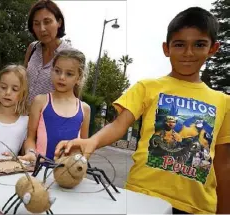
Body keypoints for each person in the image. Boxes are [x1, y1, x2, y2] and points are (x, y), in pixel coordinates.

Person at [54, 7, 230, 214]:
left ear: (213, 48)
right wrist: (92, 141)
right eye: (180, 44)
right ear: (166, 48)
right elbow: (119, 125)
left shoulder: (223, 102)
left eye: (199, 44)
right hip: (142, 198)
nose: (188, 53)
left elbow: (223, 164)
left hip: (197, 207)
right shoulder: (147, 87)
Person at [19, 48, 91, 162]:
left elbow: (85, 146)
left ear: (79, 77)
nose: (61, 77)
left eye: (69, 74)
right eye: (57, 71)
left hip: (67, 176)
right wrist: (31, 153)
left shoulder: (85, 109)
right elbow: (30, 139)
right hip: (39, 170)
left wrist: (78, 163)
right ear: (51, 71)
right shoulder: (40, 101)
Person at [24, 0, 71, 105]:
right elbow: (22, 83)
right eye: (36, 24)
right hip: (22, 118)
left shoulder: (69, 56)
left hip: (48, 120)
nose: (42, 29)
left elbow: (73, 99)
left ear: (59, 22)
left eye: (47, 22)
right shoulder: (32, 48)